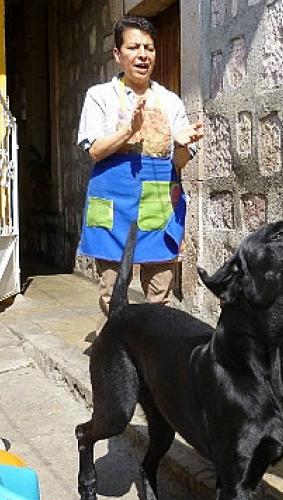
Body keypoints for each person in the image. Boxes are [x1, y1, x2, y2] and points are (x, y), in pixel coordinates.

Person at [77, 16, 203, 316]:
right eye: (134, 47)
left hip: (159, 201)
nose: (143, 55)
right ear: (118, 55)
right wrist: (127, 132)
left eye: (149, 47)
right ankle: (113, 353)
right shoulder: (100, 97)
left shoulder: (171, 102)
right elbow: (94, 150)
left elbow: (179, 163)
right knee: (112, 291)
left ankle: (155, 355)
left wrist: (182, 144)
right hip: (114, 200)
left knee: (160, 292)